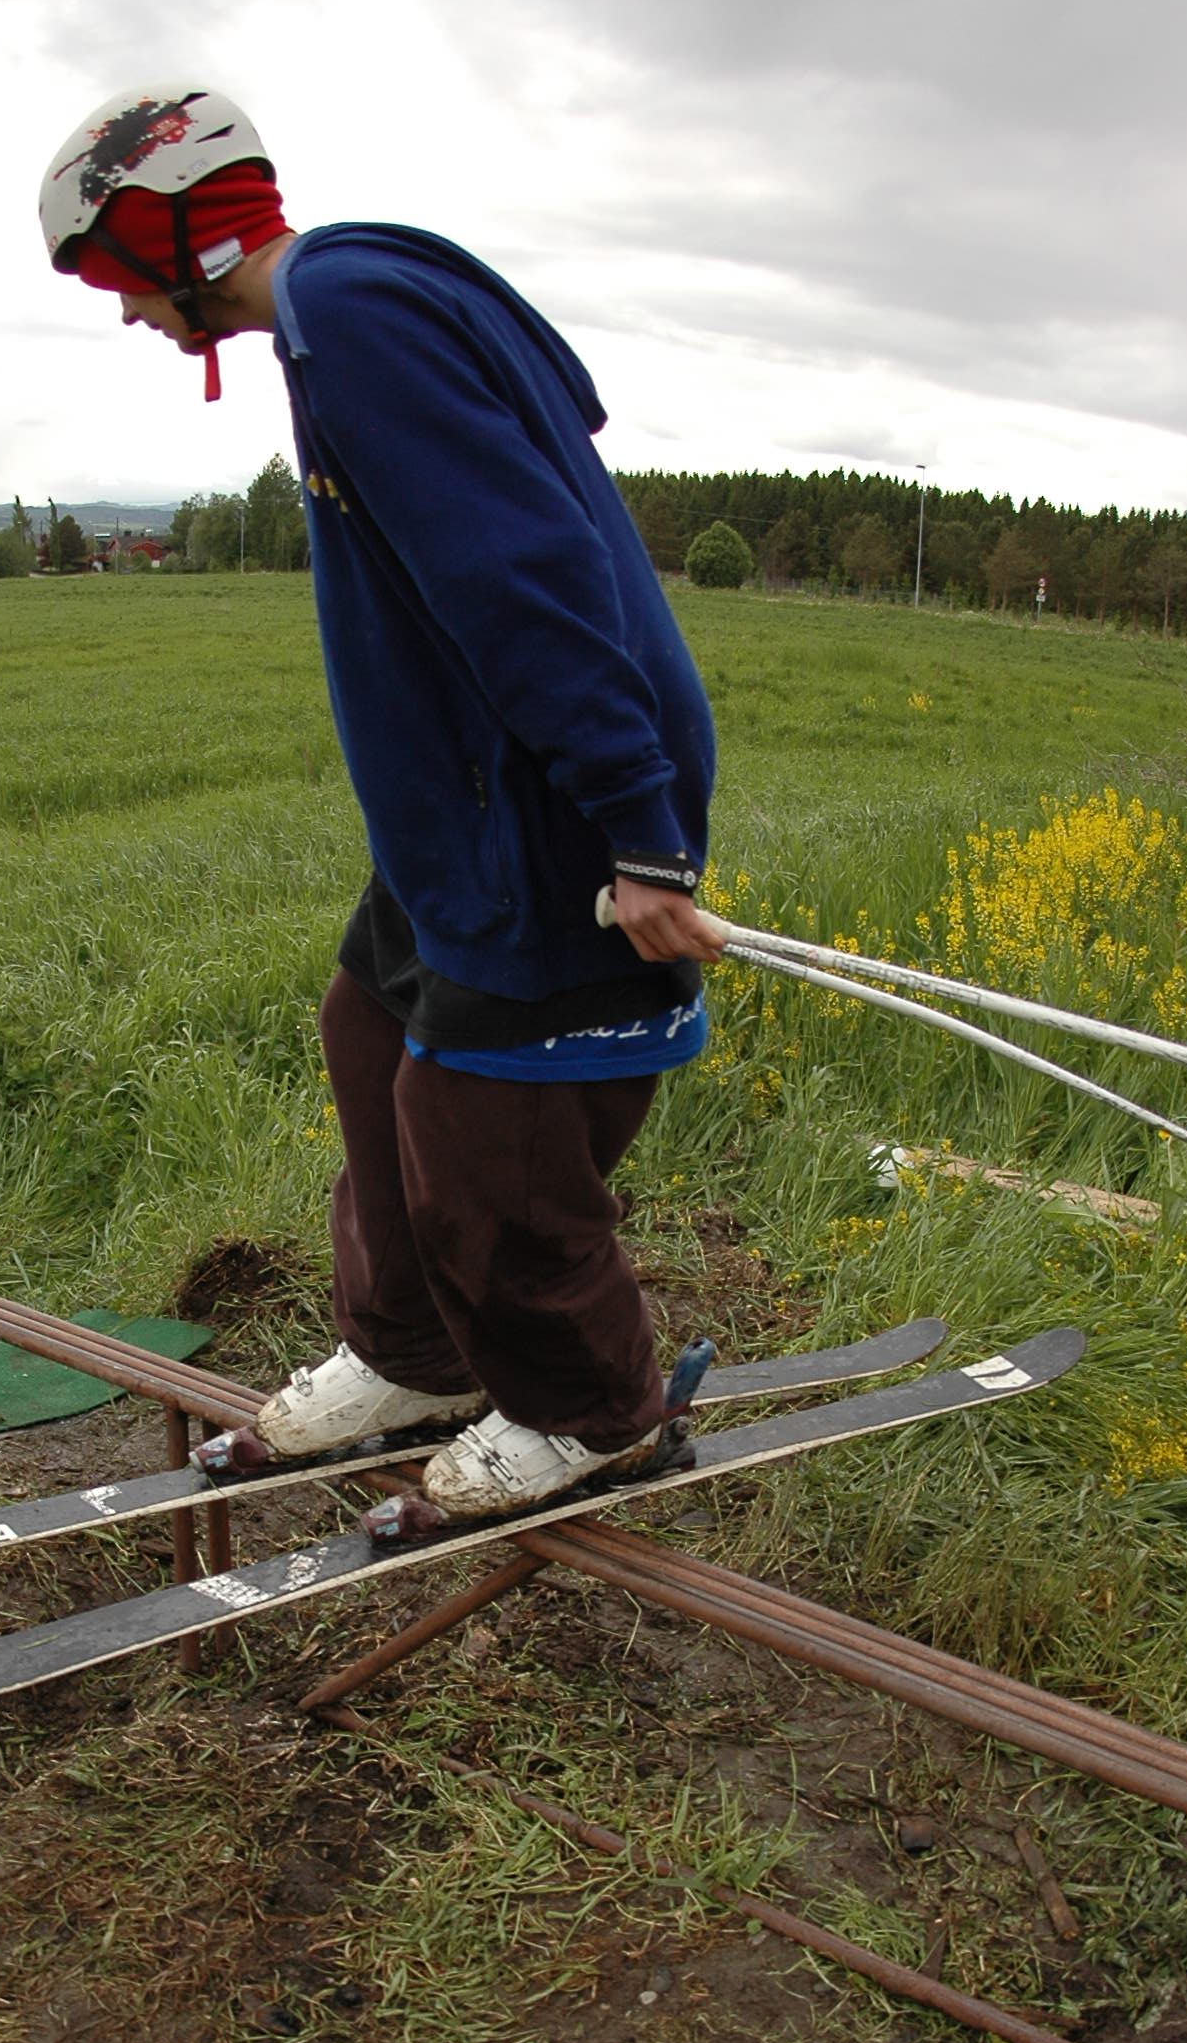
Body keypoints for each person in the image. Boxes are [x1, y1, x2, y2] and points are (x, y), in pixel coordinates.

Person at [38, 88, 722, 1517]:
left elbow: (523, 572)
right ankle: (416, 1355)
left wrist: (640, 826)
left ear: (174, 234)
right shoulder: (352, 304)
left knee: (491, 1129)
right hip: (460, 808)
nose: (122, 313)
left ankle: (593, 1413)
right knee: (375, 1030)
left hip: (549, 801)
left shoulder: (357, 316)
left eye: (111, 274)